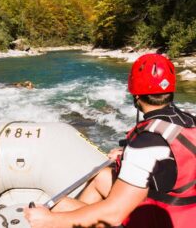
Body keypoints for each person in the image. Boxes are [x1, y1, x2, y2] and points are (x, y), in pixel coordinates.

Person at [24, 53, 196, 228]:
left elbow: (113, 214)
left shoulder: (147, 144)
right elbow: (176, 158)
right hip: (185, 214)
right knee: (102, 176)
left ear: (136, 95)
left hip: (161, 222)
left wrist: (49, 220)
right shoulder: (189, 121)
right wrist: (126, 154)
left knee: (61, 207)